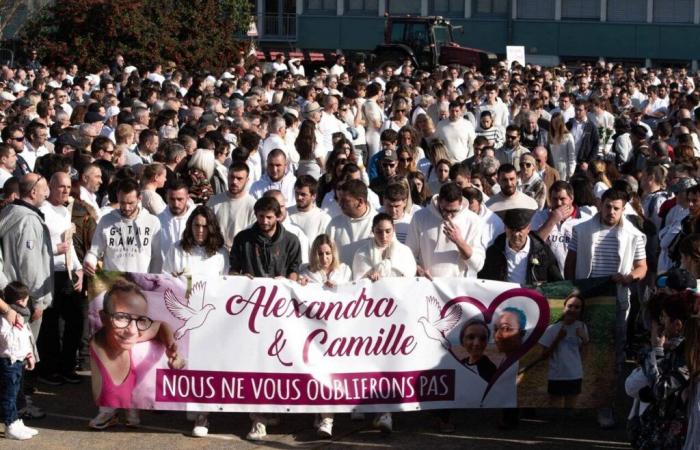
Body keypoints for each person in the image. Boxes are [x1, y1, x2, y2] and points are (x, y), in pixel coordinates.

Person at [565, 188, 647, 429]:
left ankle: (605, 405)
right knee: (582, 349)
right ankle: (581, 399)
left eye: (616, 208)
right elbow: (570, 266)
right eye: (608, 206)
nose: (611, 211)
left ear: (623, 209)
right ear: (600, 204)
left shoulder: (634, 235)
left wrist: (629, 277)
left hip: (617, 303)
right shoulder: (581, 230)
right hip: (586, 302)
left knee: (612, 355)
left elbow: (642, 267)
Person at [351, 213, 416, 434]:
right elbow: (357, 280)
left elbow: (409, 279)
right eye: (379, 231)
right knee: (367, 363)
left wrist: (387, 265)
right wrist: (375, 271)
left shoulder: (404, 252)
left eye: (388, 231)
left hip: (395, 318)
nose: (384, 235)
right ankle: (359, 403)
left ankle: (385, 413)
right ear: (373, 230)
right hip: (369, 318)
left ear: (394, 230)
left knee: (390, 365)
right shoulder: (362, 252)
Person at [88, 279, 182, 430]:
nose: (132, 331)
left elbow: (161, 326)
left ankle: (132, 405)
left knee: (143, 349)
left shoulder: (134, 331)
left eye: (139, 319)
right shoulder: (97, 342)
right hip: (109, 374)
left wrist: (170, 345)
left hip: (132, 380)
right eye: (121, 317)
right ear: (103, 318)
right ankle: (109, 411)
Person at [37, 172, 84, 386]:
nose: (65, 190)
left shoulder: (65, 211)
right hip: (49, 272)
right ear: (51, 187)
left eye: (68, 186)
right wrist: (57, 250)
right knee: (51, 324)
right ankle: (50, 369)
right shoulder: (42, 211)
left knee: (75, 320)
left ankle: (67, 366)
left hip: (67, 273)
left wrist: (79, 269)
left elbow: (70, 244)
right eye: (61, 186)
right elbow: (38, 246)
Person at [0, 173, 53, 341]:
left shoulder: (7, 211)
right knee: (20, 353)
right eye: (45, 190)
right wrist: (38, 301)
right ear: (33, 192)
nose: (47, 194)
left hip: (8, 294)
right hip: (23, 300)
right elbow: (29, 264)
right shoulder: (28, 220)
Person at [83, 178, 163, 275]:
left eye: (130, 203)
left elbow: (157, 257)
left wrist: (153, 281)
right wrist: (89, 262)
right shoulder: (106, 220)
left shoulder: (152, 221)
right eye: (122, 203)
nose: (126, 207)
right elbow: (94, 251)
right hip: (113, 283)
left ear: (139, 199)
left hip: (141, 283)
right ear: (117, 197)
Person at [406, 182, 484, 279]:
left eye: (454, 211)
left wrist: (459, 241)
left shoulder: (474, 221)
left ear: (461, 203)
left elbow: (478, 265)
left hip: (458, 288)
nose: (449, 215)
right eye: (445, 210)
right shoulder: (420, 217)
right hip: (426, 285)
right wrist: (417, 269)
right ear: (438, 200)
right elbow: (408, 253)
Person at [479, 207, 562, 285]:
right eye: (512, 229)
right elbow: (484, 282)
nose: (516, 234)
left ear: (528, 228)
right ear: (505, 228)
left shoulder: (542, 251)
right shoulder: (494, 252)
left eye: (519, 229)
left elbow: (557, 282)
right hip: (503, 298)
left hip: (532, 298)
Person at [537, 292, 589, 409]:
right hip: (557, 376)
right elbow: (544, 356)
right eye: (570, 306)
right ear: (564, 307)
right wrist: (557, 339)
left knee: (570, 411)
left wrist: (585, 340)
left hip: (575, 376)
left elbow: (584, 355)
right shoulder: (552, 329)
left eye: (577, 307)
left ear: (581, 310)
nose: (572, 309)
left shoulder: (582, 327)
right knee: (555, 411)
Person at [0, 281, 38, 440]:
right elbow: (6, 338)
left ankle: (16, 421)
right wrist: (17, 326)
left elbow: (26, 338)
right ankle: (9, 424)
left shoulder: (21, 316)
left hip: (19, 361)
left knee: (15, 394)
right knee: (8, 395)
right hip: (8, 361)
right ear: (20, 301)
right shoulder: (5, 318)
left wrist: (29, 355)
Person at [163, 205, 229, 279]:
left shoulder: (221, 253)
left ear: (212, 228)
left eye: (205, 226)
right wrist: (171, 279)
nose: (200, 230)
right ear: (190, 225)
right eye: (197, 225)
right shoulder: (176, 249)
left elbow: (224, 283)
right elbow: (165, 277)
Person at [325, 179, 375, 267]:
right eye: (340, 200)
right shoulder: (334, 224)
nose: (340, 204)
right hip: (341, 278)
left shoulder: (379, 223)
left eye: (345, 201)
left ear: (360, 202)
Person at [206, 162, 256, 250]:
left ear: (247, 180)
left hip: (240, 254)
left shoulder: (253, 205)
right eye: (231, 177)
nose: (234, 182)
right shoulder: (213, 201)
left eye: (239, 178)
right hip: (215, 252)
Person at [158, 180, 195, 259]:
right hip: (164, 270)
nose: (176, 204)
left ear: (188, 198)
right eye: (172, 199)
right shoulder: (158, 221)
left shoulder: (197, 219)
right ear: (166, 198)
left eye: (180, 199)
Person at [288, 175, 332, 243]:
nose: (299, 197)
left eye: (303, 194)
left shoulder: (323, 218)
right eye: (297, 193)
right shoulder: (286, 214)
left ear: (313, 196)